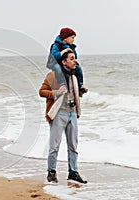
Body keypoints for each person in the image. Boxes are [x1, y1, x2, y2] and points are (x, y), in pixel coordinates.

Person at [39, 50, 87, 184]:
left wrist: (81, 92)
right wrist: (56, 93)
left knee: (73, 145)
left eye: (75, 58)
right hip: (58, 113)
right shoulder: (53, 76)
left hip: (72, 112)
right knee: (54, 145)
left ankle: (73, 172)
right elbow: (41, 92)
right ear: (64, 62)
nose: (75, 61)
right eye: (71, 59)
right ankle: (51, 172)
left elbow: (74, 93)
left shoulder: (74, 76)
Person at [47, 27, 87, 96]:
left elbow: (75, 56)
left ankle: (80, 84)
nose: (73, 40)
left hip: (66, 64)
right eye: (72, 38)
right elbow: (54, 56)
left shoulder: (71, 46)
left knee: (78, 68)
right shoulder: (56, 45)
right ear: (65, 38)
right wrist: (64, 51)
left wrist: (71, 52)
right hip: (56, 63)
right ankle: (62, 84)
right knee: (58, 68)